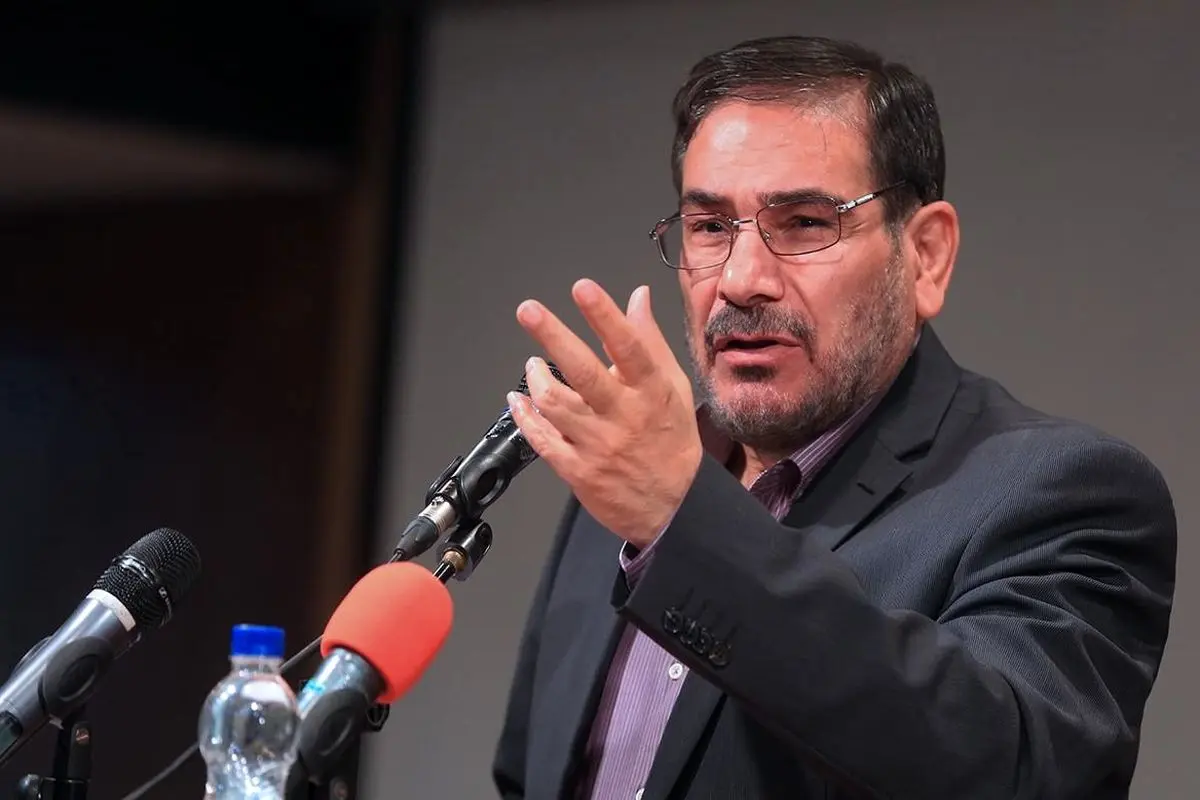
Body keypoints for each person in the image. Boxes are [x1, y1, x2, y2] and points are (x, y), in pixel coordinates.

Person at [490, 34, 1177, 800]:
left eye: (806, 223)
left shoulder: (1064, 494)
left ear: (925, 255)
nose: (741, 280)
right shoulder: (627, 485)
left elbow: (1006, 770)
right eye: (710, 227)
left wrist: (686, 527)